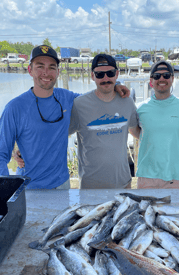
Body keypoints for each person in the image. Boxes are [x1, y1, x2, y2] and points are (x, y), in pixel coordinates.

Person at [0, 45, 129, 189]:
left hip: (62, 185)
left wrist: (115, 85)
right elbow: (1, 153)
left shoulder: (67, 98)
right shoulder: (14, 108)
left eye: (52, 67)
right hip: (29, 187)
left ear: (58, 72)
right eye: (40, 66)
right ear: (30, 70)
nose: (46, 72)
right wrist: (4, 192)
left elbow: (96, 99)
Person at [68, 53, 139, 189]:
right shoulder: (79, 104)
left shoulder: (127, 101)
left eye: (110, 73)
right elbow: (59, 134)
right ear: (92, 76)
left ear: (117, 74)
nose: (106, 78)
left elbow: (137, 132)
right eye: (100, 75)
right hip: (90, 186)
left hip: (123, 183)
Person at [129, 60, 179, 189]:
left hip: (175, 177)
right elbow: (134, 131)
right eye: (157, 76)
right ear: (151, 81)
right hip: (146, 177)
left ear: (172, 79)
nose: (161, 79)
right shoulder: (140, 108)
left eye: (166, 75)